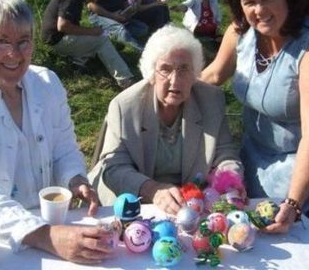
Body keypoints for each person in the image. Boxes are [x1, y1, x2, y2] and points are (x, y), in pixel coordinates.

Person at [0, 0, 115, 264]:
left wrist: (76, 179)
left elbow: (64, 147)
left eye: (23, 41)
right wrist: (46, 236)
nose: (14, 54)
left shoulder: (47, 83)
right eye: (1, 42)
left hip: (56, 229)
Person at [200, 0, 309, 233]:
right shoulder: (239, 33)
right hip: (247, 158)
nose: (258, 10)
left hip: (298, 174)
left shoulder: (305, 50)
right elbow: (212, 75)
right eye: (249, 1)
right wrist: (161, 90)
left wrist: (295, 203)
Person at [89, 25, 244, 215]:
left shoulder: (211, 101)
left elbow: (225, 154)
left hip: (190, 204)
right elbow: (114, 168)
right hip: (132, 202)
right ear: (151, 73)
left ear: (195, 72)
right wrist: (152, 190)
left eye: (184, 69)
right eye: (165, 69)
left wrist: (230, 181)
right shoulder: (125, 107)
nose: (175, 81)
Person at [41, 0, 134, 89]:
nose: (93, 0)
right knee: (101, 41)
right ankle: (125, 80)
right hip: (57, 41)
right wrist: (91, 31)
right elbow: (63, 26)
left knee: (99, 40)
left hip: (58, 38)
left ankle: (79, 61)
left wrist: (91, 33)